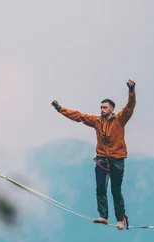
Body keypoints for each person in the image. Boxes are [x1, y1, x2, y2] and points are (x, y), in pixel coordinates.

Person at [51, 79, 136, 230]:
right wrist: (59, 108)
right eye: (101, 107)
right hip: (102, 160)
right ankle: (103, 216)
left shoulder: (119, 120)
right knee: (100, 188)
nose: (102, 110)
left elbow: (130, 107)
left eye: (105, 107)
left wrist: (131, 90)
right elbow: (78, 116)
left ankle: (120, 220)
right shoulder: (97, 122)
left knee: (116, 190)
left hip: (117, 160)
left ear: (111, 109)